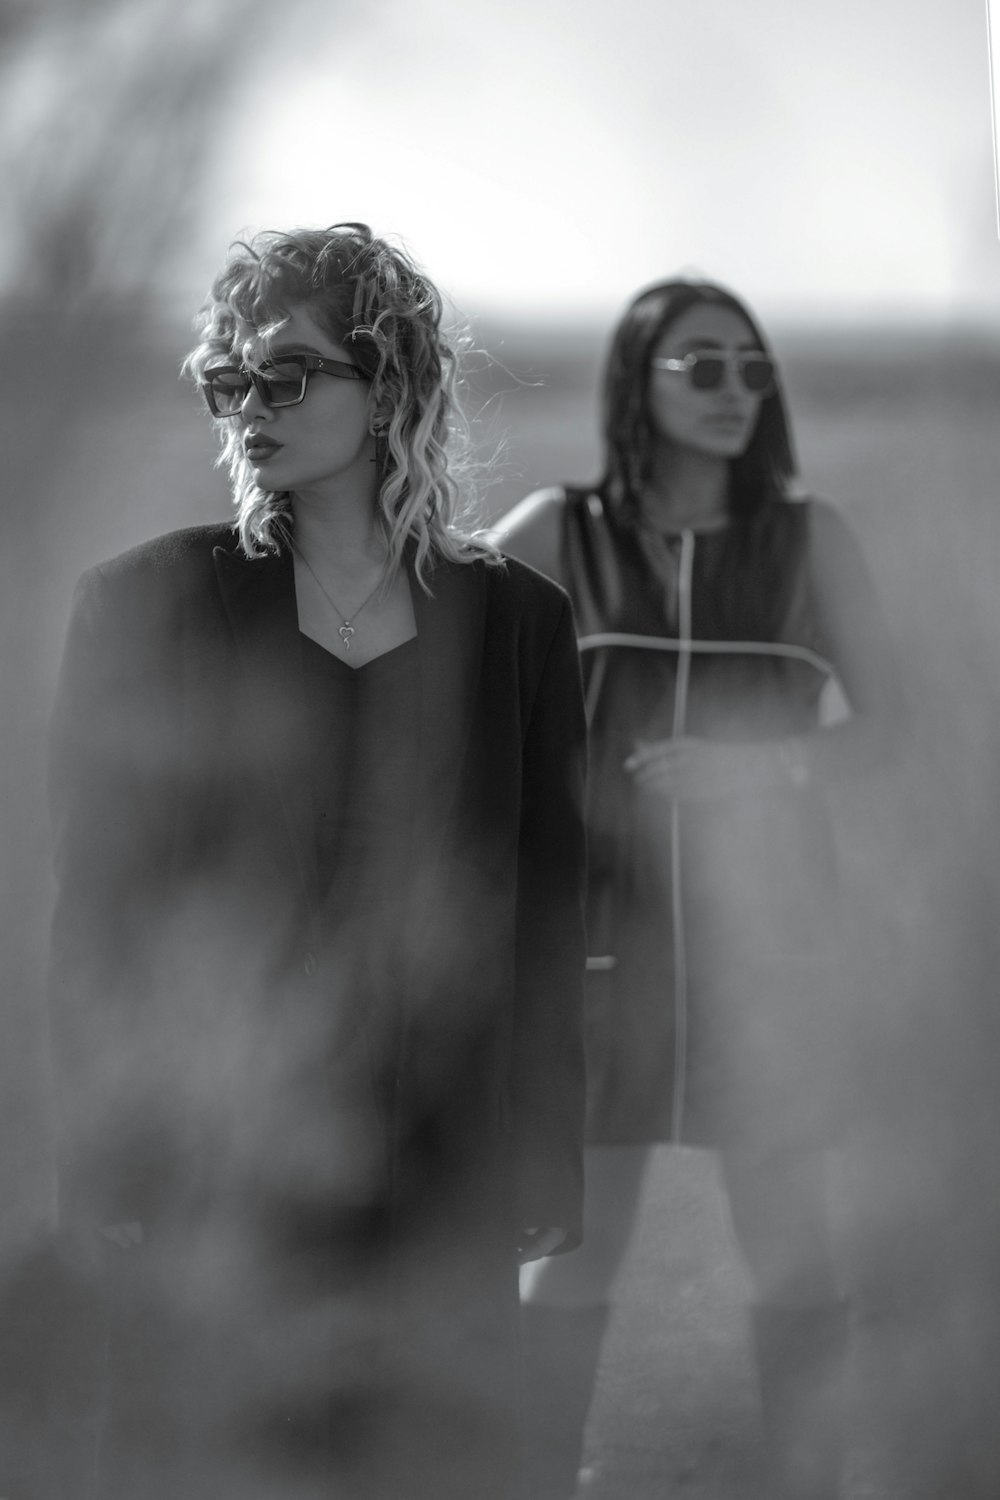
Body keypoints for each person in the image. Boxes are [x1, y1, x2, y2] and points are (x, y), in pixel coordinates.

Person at [45, 222, 587, 1500]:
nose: (249, 405)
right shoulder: (144, 606)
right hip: (228, 1154)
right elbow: (96, 911)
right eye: (228, 377)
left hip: (444, 1151)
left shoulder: (516, 622)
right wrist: (101, 1153)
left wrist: (544, 1148)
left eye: (287, 372)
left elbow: (544, 904)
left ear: (388, 384)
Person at [493, 276, 902, 1500]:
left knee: (792, 1248)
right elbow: (450, 671)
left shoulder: (807, 536)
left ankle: (811, 1481)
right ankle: (528, 1475)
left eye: (751, 367)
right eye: (703, 367)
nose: (736, 391)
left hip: (763, 949)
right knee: (574, 1248)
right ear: (637, 379)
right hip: (599, 946)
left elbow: (905, 729)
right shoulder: (554, 535)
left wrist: (764, 765)